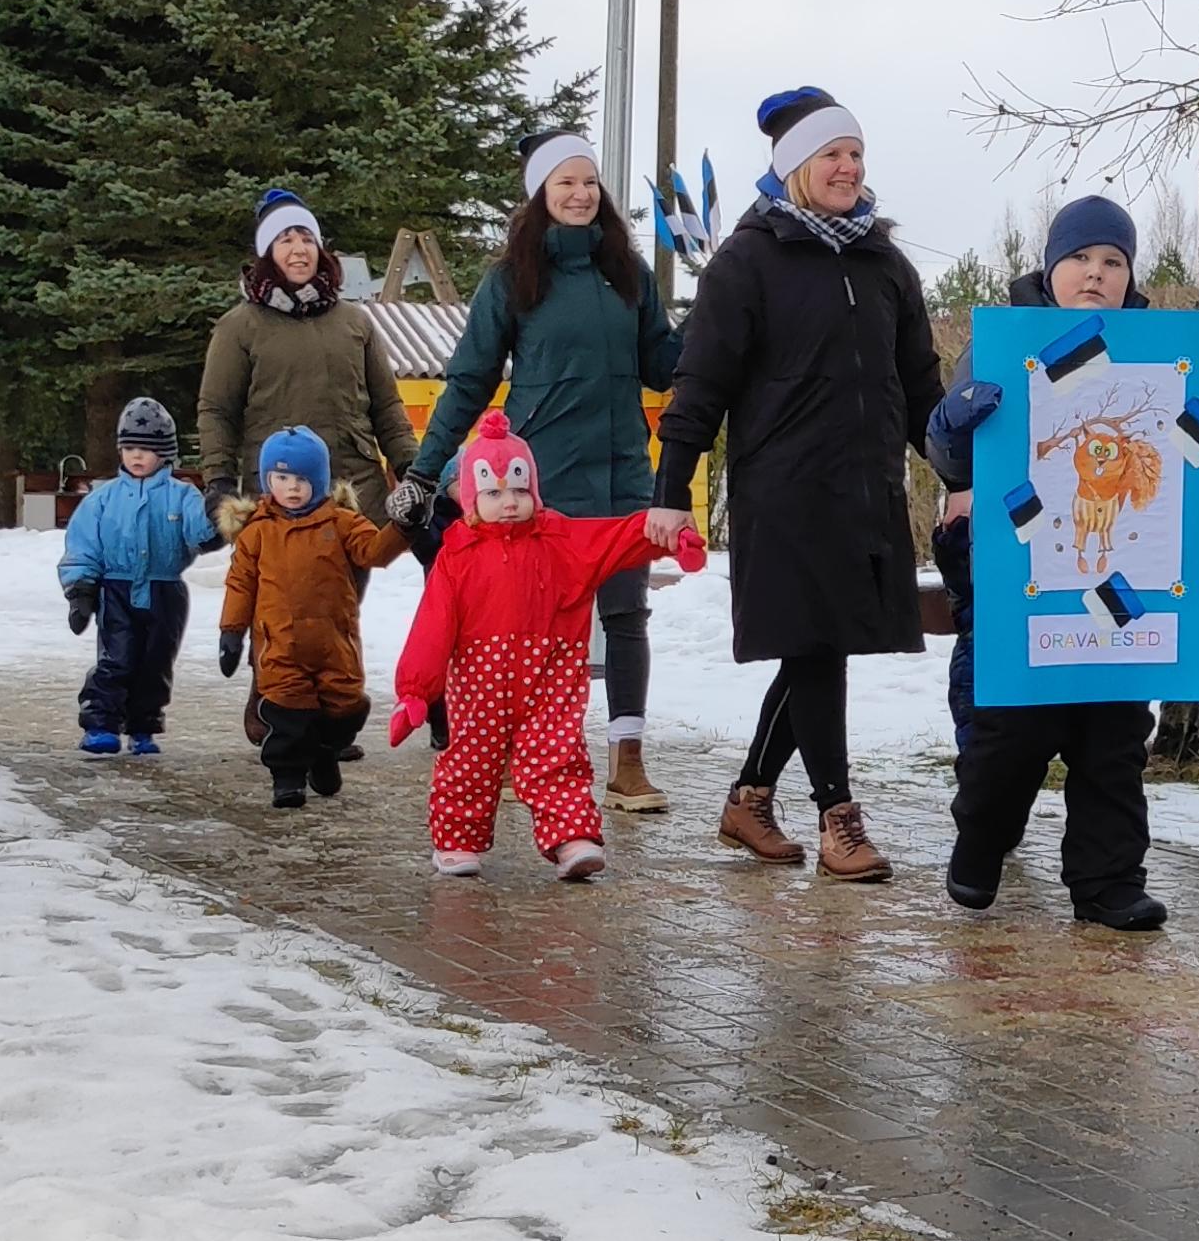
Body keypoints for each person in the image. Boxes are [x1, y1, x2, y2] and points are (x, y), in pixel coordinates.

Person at [924, 189, 1199, 930]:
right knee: (1007, 736)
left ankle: (1108, 881)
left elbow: (1187, 465)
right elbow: (951, 455)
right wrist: (952, 424)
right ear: (1050, 267)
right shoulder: (1003, 342)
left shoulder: (1159, 354)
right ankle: (981, 843)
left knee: (1114, 739)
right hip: (1022, 582)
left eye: (1113, 260)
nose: (1096, 272)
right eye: (1079, 257)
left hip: (1126, 585)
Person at [655, 85, 943, 882]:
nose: (849, 168)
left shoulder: (886, 265)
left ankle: (749, 797)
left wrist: (959, 474)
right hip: (783, 490)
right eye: (832, 155)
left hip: (866, 489)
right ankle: (837, 819)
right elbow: (700, 385)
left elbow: (921, 387)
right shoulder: (746, 262)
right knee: (817, 649)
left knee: (821, 648)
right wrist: (670, 492)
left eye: (856, 154)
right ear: (793, 167)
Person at [395, 130, 685, 814]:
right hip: (537, 484)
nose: (581, 194)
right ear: (540, 195)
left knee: (626, 613)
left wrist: (708, 326)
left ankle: (627, 761)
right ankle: (509, 746)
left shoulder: (627, 273)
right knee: (526, 623)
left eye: (589, 182)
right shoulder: (512, 280)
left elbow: (661, 366)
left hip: (621, 473)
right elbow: (470, 380)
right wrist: (425, 471)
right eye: (565, 183)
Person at [387, 410, 709, 880]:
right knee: (471, 761)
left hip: (550, 677)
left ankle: (571, 838)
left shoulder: (559, 539)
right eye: (494, 493)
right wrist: (415, 691)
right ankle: (457, 839)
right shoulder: (457, 555)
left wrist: (671, 538)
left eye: (520, 490)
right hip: (480, 685)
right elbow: (432, 627)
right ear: (471, 499)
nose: (510, 502)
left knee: (556, 755)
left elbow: (616, 538)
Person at [217, 424, 410, 810]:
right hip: (280, 645)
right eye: (281, 478)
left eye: (302, 479)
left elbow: (374, 551)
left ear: (319, 481)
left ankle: (325, 751)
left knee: (346, 709)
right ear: (268, 481)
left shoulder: (341, 522)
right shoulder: (258, 532)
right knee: (286, 713)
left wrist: (403, 527)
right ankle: (287, 779)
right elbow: (240, 584)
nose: (292, 487)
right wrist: (231, 632)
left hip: (333, 644)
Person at [196, 186, 417, 515]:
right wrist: (219, 479)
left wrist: (410, 466)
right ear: (268, 252)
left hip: (358, 495)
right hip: (278, 496)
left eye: (307, 239)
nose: (299, 249)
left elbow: (386, 406)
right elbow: (217, 410)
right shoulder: (238, 327)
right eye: (285, 240)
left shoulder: (355, 322)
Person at [57, 394, 215, 758]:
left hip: (165, 591)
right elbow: (83, 544)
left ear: (165, 453)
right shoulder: (103, 499)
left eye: (146, 449)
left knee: (156, 663)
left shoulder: (183, 496)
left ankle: (143, 726)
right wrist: (81, 591)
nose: (137, 456)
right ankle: (101, 723)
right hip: (117, 589)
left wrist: (217, 518)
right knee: (117, 658)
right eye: (129, 448)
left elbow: (200, 532)